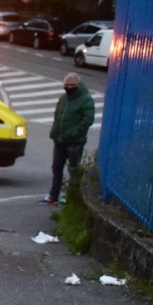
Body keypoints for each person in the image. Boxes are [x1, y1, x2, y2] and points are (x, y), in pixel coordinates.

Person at [45, 73, 95, 206]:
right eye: (66, 86)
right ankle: (53, 195)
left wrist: (74, 133)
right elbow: (57, 115)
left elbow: (88, 120)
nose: (68, 88)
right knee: (56, 168)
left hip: (74, 142)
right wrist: (55, 131)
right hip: (60, 140)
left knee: (74, 170)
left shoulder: (86, 100)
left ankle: (72, 198)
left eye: (71, 86)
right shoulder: (63, 99)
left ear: (78, 86)